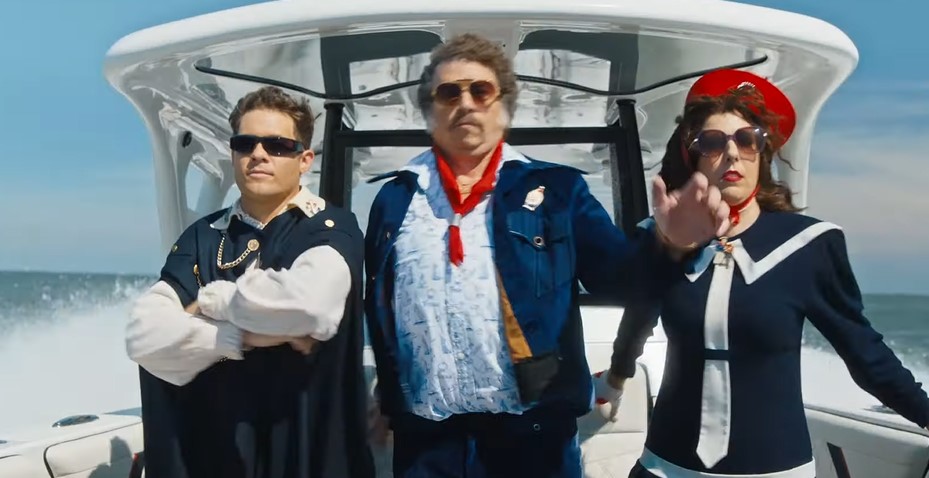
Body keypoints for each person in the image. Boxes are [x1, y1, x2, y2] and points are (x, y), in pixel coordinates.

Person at [363, 33, 732, 478]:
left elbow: (620, 279)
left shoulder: (558, 190)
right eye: (449, 92)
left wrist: (672, 244)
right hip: (427, 444)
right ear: (430, 110)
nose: (466, 103)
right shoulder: (394, 198)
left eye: (480, 90)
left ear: (503, 106)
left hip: (533, 441)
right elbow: (381, 304)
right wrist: (388, 398)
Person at [596, 69, 929, 478]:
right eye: (712, 142)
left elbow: (865, 354)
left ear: (762, 153)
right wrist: (616, 378)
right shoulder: (658, 236)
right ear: (691, 155)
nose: (731, 153)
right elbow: (637, 315)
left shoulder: (810, 244)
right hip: (665, 467)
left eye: (746, 139)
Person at [125, 86, 374, 478]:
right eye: (246, 143)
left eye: (277, 145)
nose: (258, 154)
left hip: (306, 457)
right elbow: (144, 335)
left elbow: (308, 307)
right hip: (215, 458)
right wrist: (241, 337)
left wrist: (212, 303)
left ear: (304, 159)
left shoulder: (333, 227)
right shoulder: (202, 236)